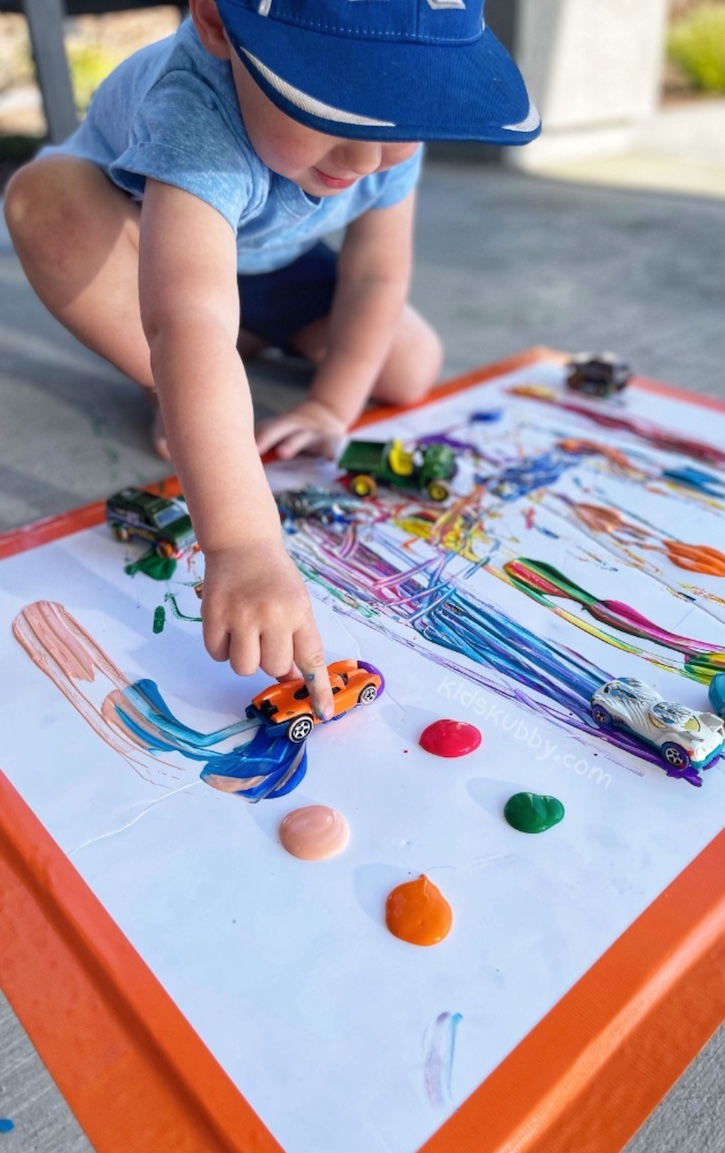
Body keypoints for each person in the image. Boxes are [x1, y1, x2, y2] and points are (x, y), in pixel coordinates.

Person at [3, 0, 539, 719]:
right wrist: (245, 543)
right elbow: (187, 313)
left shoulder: (379, 131)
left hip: (264, 260)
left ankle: (232, 358)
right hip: (137, 253)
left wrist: (330, 407)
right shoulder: (194, 105)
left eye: (397, 118)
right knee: (47, 203)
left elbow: (377, 276)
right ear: (220, 23)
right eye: (331, 107)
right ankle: (176, 381)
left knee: (409, 362)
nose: (365, 156)